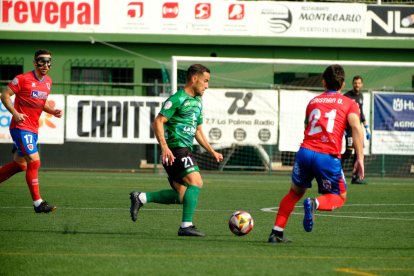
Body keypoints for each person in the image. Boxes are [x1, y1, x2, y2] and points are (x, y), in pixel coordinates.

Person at [268, 64, 364, 243]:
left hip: (305, 152)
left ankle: (276, 232)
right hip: (327, 156)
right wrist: (360, 157)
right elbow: (356, 127)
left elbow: (308, 126)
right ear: (343, 84)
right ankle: (314, 204)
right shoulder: (350, 103)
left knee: (294, 193)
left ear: (323, 83)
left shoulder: (313, 102)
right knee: (340, 197)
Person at [129, 64, 223, 237]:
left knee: (182, 196)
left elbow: (198, 132)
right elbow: (158, 121)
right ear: (194, 79)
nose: (207, 86)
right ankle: (186, 226)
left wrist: (212, 151)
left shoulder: (197, 102)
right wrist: (164, 147)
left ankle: (141, 197)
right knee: (197, 182)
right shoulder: (178, 98)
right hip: (176, 149)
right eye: (205, 81)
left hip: (183, 150)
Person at [0, 49, 62, 213]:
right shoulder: (22, 79)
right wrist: (15, 113)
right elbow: (5, 95)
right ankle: (38, 203)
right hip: (20, 127)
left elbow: (40, 102)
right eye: (42, 61)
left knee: (20, 165)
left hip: (33, 129)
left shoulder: (48, 81)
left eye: (48, 61)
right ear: (35, 63)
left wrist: (52, 111)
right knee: (34, 162)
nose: (46, 65)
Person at [342, 75, 370, 184]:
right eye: (355, 83)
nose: (357, 85)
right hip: (349, 128)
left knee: (359, 152)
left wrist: (366, 127)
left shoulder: (361, 96)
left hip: (358, 128)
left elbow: (361, 113)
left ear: (361, 84)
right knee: (349, 152)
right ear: (352, 84)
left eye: (359, 83)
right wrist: (343, 127)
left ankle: (355, 177)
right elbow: (342, 113)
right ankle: (334, 169)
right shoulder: (346, 96)